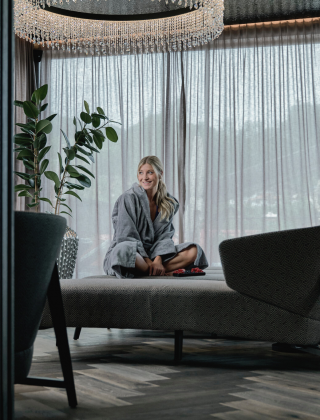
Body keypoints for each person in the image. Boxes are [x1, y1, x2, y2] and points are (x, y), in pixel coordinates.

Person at [103, 156, 208, 278]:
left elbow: (164, 236)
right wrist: (147, 260)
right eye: (141, 173)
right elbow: (126, 235)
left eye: (150, 172)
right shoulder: (128, 198)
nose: (145, 177)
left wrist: (158, 260)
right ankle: (154, 269)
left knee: (193, 250)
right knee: (123, 251)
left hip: (155, 255)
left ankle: (151, 269)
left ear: (160, 174)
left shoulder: (168, 203)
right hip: (133, 252)